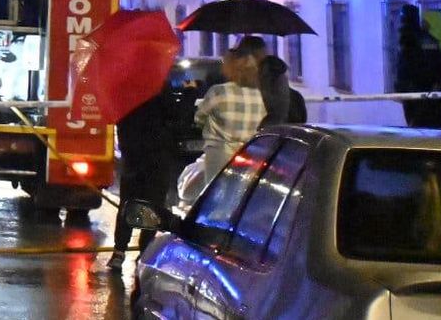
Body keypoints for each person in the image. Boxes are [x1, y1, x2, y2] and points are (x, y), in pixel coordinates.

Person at [182, 45, 265, 206]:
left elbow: (199, 118)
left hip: (219, 154)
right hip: (247, 153)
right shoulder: (258, 94)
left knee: (215, 200)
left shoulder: (219, 91)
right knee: (239, 199)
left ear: (232, 67)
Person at [107, 91, 175, 268]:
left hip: (132, 157)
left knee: (128, 203)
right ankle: (144, 254)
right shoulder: (159, 89)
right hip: (157, 158)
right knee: (153, 205)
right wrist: (190, 92)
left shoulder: (125, 93)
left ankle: (119, 252)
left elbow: (118, 120)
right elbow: (176, 116)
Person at [395, 5, 441, 128]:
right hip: (435, 96)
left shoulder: (409, 39)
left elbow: (405, 68)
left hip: (420, 96)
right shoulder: (430, 40)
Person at [235, 35, 302, 126]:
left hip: (266, 133)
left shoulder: (268, 76)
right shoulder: (275, 71)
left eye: (241, 55)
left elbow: (273, 111)